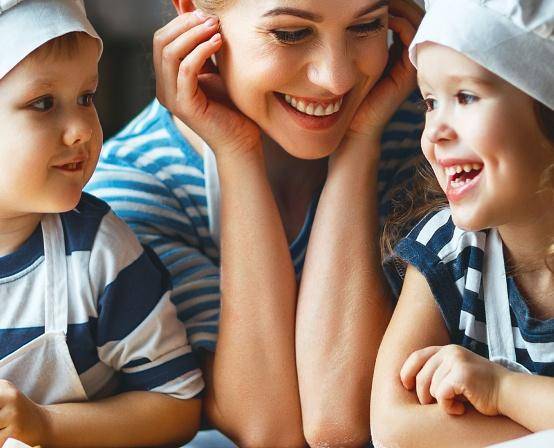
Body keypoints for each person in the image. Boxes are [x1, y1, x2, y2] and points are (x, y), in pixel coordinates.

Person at [86, 0, 424, 445]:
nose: (336, 77)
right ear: (192, 11)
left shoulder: (431, 137)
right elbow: (269, 431)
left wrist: (359, 146)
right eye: (290, 33)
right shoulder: (131, 192)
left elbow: (339, 419)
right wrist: (236, 153)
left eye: (366, 26)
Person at [0, 0, 203, 446]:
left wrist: (45, 425)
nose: (81, 131)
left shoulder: (99, 254)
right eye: (43, 103)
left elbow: (177, 404)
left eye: (85, 98)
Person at [371, 0, 554, 446]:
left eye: (466, 97)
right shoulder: (445, 249)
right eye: (431, 102)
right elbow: (393, 426)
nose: (434, 131)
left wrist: (501, 389)